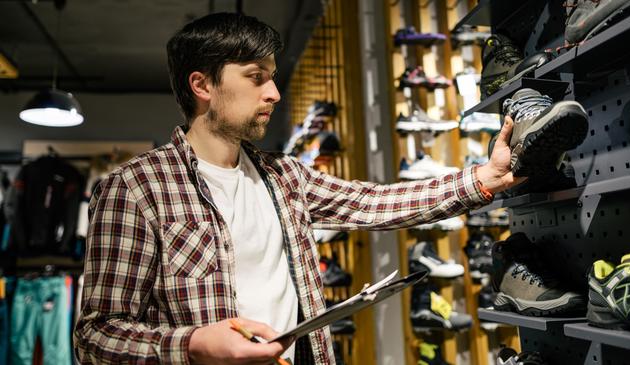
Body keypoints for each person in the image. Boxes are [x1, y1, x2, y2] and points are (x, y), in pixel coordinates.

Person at [73, 12, 523, 365]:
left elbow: (373, 203)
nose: (274, 93)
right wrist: (194, 344)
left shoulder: (284, 176)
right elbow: (96, 337)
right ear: (202, 85)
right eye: (255, 77)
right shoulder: (134, 189)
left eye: (272, 76)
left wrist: (483, 179)